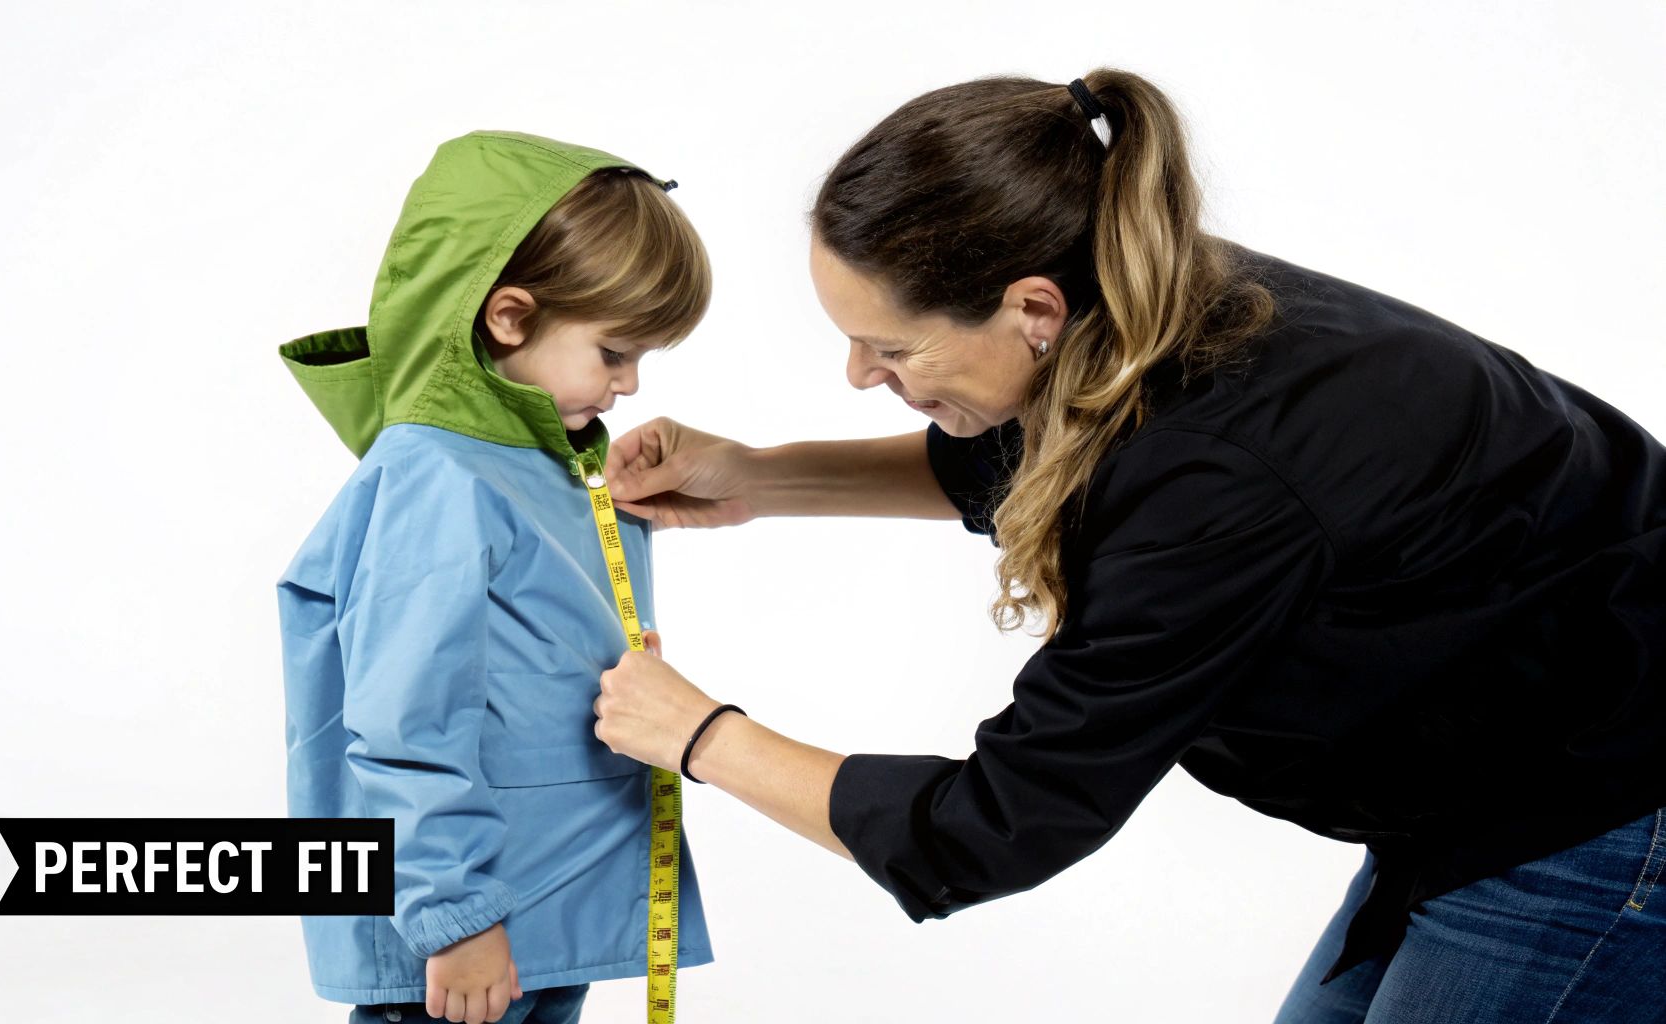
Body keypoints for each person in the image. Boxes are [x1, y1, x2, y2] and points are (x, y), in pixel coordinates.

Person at [590, 70, 1666, 1023]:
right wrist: (758, 476)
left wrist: (698, 735)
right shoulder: (1131, 293)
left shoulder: (1215, 471)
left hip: (1603, 807)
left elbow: (992, 825)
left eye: (889, 347)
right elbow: (1004, 451)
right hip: (1487, 784)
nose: (861, 375)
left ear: (1031, 308)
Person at [275, 131, 715, 1024]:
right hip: (472, 929)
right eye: (614, 352)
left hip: (545, 900)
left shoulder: (548, 469)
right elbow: (406, 719)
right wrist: (454, 914)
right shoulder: (435, 475)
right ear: (508, 316)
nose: (628, 386)